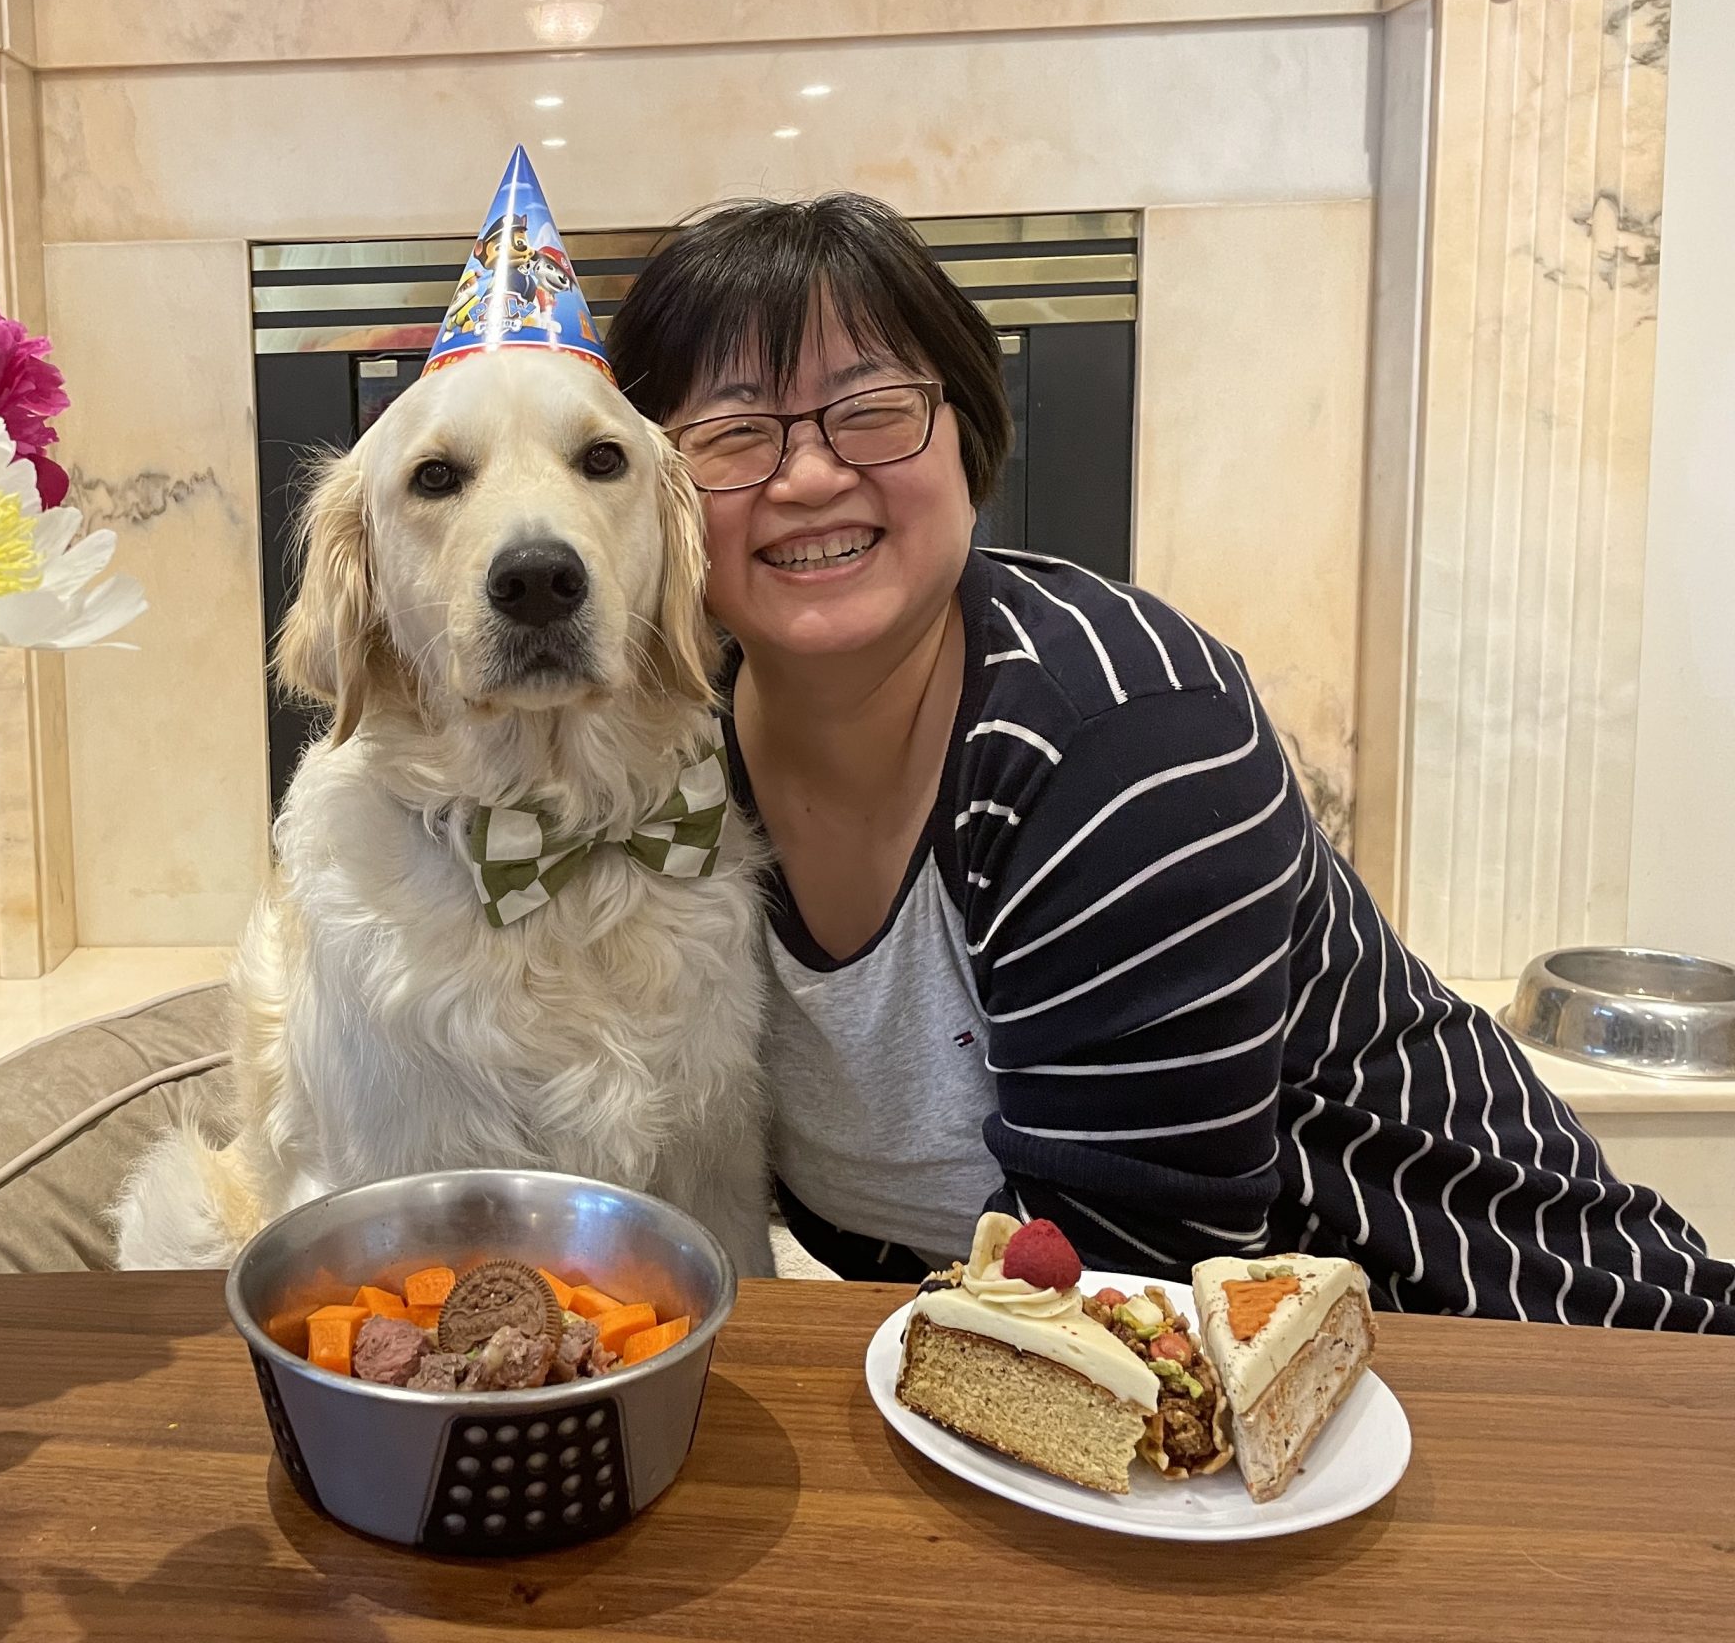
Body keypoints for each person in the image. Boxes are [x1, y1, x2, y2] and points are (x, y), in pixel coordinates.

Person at [608, 193, 1733, 1330]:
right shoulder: (666, 764)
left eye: (873, 409)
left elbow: (1118, 1278)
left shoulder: (1127, 735)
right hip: (1107, 1422)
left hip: (1501, 1357)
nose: (808, 477)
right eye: (734, 435)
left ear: (966, 428)